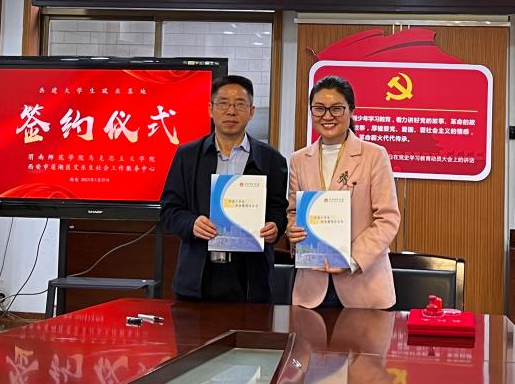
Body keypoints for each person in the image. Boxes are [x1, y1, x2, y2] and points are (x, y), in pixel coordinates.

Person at [160, 75, 288, 303]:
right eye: (223, 103)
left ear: (252, 111)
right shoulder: (187, 156)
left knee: (251, 327)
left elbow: (279, 209)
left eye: (240, 104)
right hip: (198, 276)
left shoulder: (272, 159)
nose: (231, 111)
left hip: (251, 279)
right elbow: (169, 210)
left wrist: (275, 226)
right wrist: (191, 223)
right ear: (210, 109)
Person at [287, 75, 401, 309]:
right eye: (319, 108)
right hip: (311, 288)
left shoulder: (374, 155)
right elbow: (293, 212)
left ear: (351, 111)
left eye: (337, 108)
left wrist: (351, 259)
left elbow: (387, 219)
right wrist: (292, 230)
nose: (327, 116)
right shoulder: (299, 159)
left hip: (364, 284)